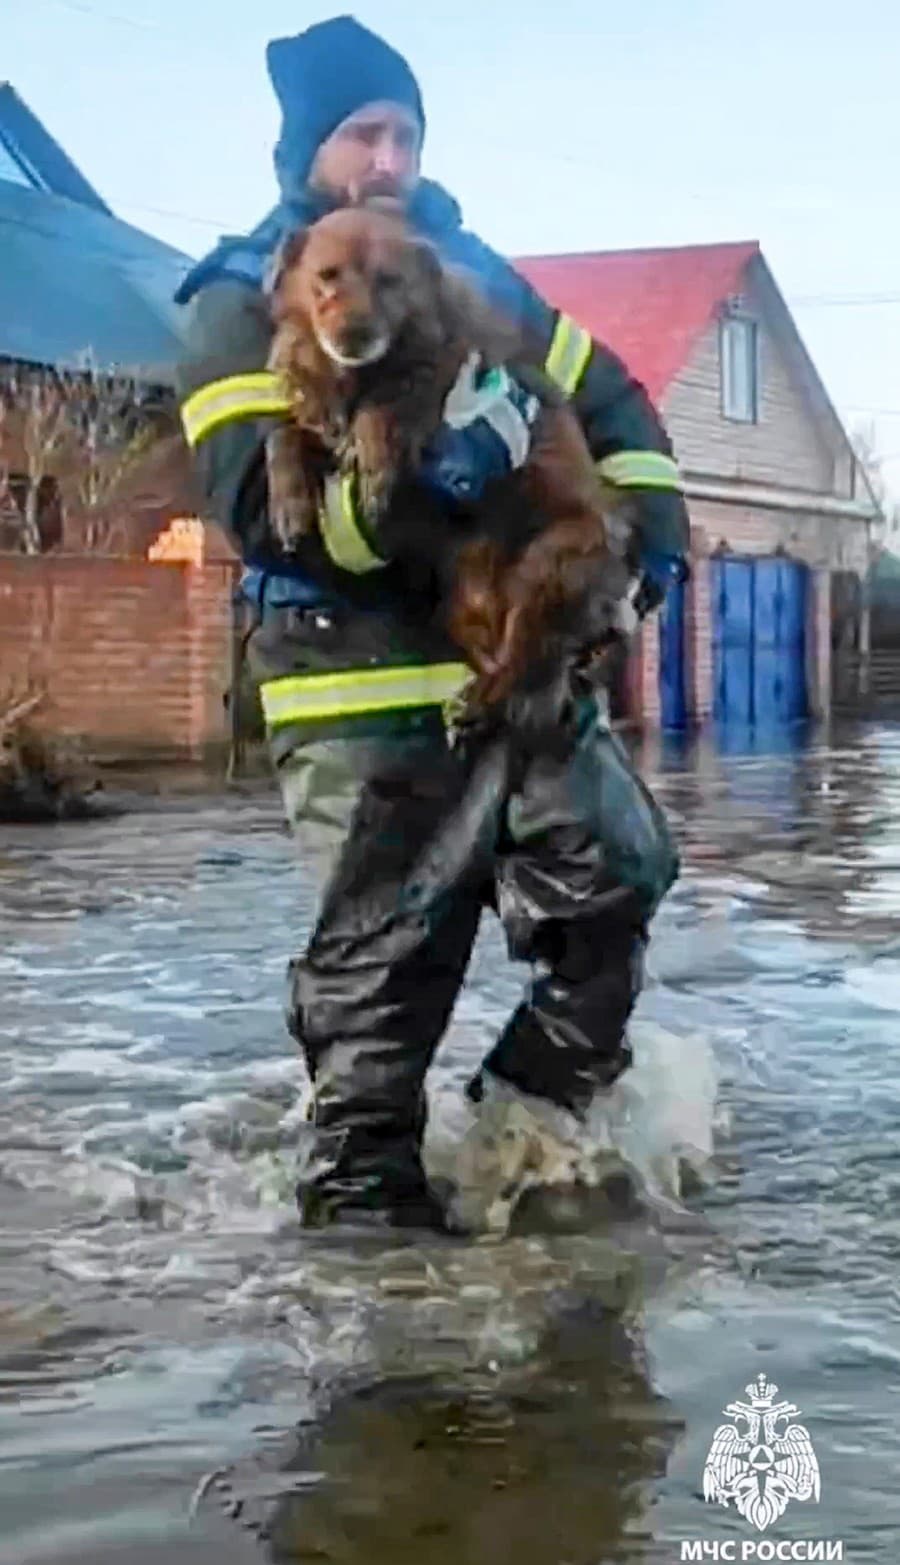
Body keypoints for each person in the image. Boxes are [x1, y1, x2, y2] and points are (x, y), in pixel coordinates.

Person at [173, 14, 689, 1233]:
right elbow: (273, 516)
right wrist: (443, 468)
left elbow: (611, 396)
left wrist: (650, 545)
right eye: (365, 133)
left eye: (408, 132)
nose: (393, 160)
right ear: (308, 153)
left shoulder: (481, 278)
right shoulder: (242, 299)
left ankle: (525, 1152)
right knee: (377, 1007)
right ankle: (376, 1335)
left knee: (620, 880)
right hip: (354, 693)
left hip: (512, 654)